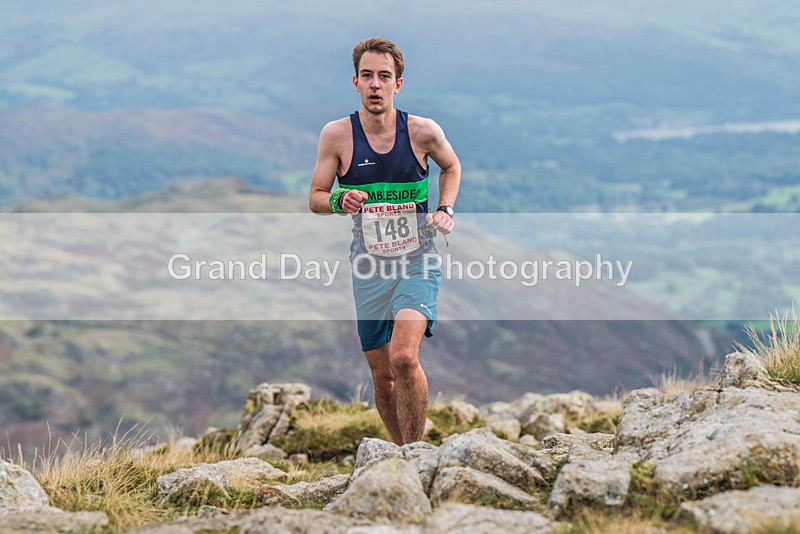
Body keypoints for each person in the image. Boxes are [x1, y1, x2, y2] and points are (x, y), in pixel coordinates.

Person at [309, 37, 461, 445]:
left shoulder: (423, 132)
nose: (375, 84)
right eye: (367, 76)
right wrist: (340, 200)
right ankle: (399, 451)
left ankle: (414, 455)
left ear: (398, 84)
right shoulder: (337, 136)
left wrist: (445, 208)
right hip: (368, 266)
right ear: (355, 82)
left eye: (384, 76)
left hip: (418, 259)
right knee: (383, 378)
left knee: (404, 358)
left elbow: (451, 166)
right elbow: (316, 197)